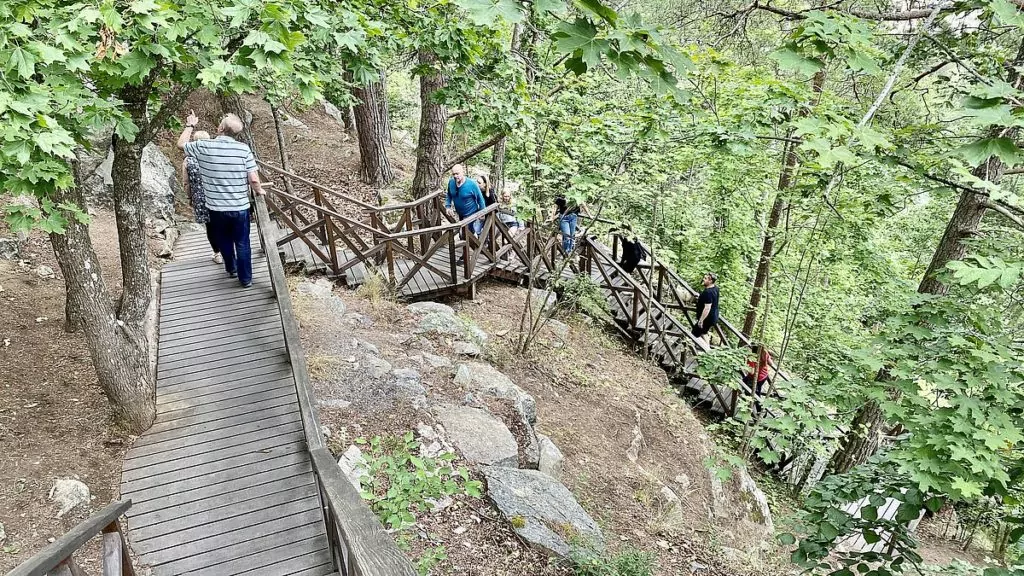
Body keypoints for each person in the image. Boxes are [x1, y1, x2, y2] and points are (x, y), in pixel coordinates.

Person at [177, 110, 264, 288]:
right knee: (242, 242)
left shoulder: (204, 147)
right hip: (240, 207)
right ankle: (245, 279)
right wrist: (260, 191)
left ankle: (231, 267)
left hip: (215, 207)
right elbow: (254, 179)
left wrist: (190, 125)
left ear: (220, 128)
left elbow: (181, 144)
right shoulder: (243, 149)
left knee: (223, 239)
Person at [181, 130, 222, 264]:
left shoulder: (188, 160)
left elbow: (186, 182)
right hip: (218, 194)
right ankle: (229, 249)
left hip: (200, 198)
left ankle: (217, 253)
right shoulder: (216, 156)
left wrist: (189, 197)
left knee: (210, 226)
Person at [445, 164, 486, 235]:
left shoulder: (472, 184)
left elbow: (480, 199)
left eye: (457, 174)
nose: (455, 176)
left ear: (462, 172)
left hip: (471, 214)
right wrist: (448, 206)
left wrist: (482, 213)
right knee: (464, 235)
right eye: (453, 174)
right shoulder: (451, 182)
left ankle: (478, 242)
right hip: (460, 214)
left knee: (467, 234)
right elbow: (449, 194)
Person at [691, 272, 719, 340]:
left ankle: (688, 348)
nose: (703, 279)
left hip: (706, 319)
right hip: (713, 317)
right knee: (704, 333)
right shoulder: (715, 288)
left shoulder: (708, 292)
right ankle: (708, 350)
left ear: (710, 281)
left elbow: (707, 308)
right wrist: (700, 297)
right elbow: (711, 300)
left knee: (693, 335)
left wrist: (701, 321)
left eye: (706, 278)